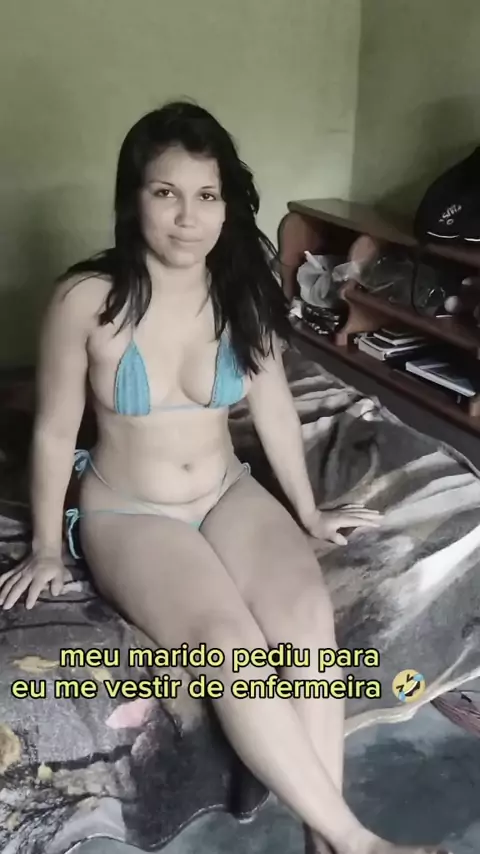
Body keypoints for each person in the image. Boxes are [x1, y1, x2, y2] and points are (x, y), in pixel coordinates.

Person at [0, 101, 449, 854]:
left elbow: (272, 407)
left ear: (226, 204)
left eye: (206, 195)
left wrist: (307, 511)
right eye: (165, 192)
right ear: (133, 199)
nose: (188, 217)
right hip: (131, 510)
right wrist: (47, 546)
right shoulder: (85, 299)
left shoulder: (242, 290)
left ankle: (323, 843)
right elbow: (51, 429)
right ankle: (356, 842)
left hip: (226, 491)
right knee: (227, 642)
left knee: (306, 618)